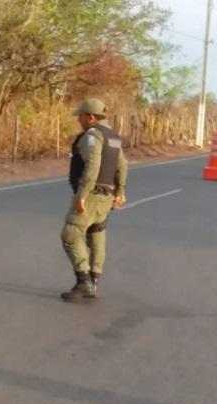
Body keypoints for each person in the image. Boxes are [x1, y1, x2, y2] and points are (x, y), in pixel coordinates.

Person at [60, 98, 128, 301]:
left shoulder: (94, 135)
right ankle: (94, 280)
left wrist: (82, 194)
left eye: (80, 116)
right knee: (96, 234)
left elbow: (92, 165)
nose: (78, 120)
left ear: (90, 117)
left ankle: (84, 282)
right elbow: (122, 165)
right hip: (106, 197)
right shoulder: (113, 136)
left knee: (70, 234)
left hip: (92, 195)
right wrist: (120, 191)